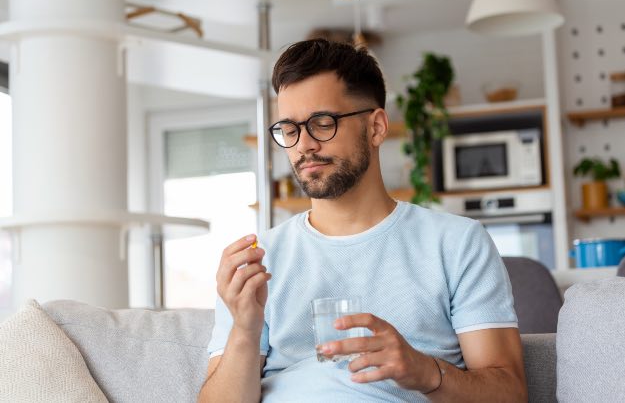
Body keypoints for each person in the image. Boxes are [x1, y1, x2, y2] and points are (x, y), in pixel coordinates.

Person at [198, 39, 527, 402]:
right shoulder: (261, 259)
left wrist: (425, 372)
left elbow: (509, 394)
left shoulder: (457, 242)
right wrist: (245, 329)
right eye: (290, 130)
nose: (304, 145)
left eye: (322, 123)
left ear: (376, 127)